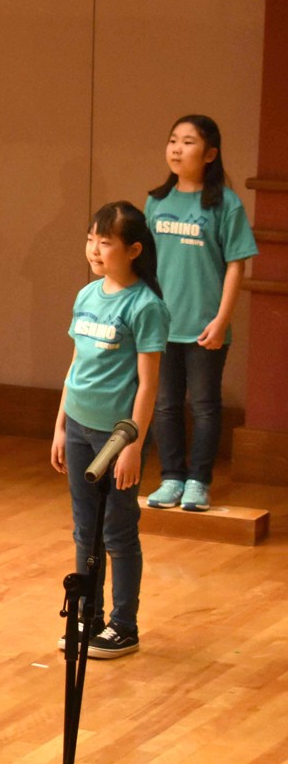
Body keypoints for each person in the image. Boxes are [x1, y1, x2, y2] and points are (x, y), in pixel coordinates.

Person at [50, 201, 168, 660]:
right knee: (85, 530)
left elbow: (149, 384)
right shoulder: (86, 295)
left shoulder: (146, 306)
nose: (94, 250)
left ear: (134, 250)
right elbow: (76, 365)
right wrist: (61, 425)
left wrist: (132, 444)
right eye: (90, 239)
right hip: (79, 427)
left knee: (118, 531)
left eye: (105, 242)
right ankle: (89, 616)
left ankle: (124, 626)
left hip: (117, 438)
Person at [142, 115, 257, 512]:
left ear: (210, 154)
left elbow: (237, 264)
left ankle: (198, 482)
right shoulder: (156, 202)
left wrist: (222, 320)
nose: (177, 148)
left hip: (206, 325)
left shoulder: (226, 203)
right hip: (162, 324)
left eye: (188, 142)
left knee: (204, 405)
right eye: (173, 140)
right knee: (164, 404)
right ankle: (171, 477)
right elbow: (146, 264)